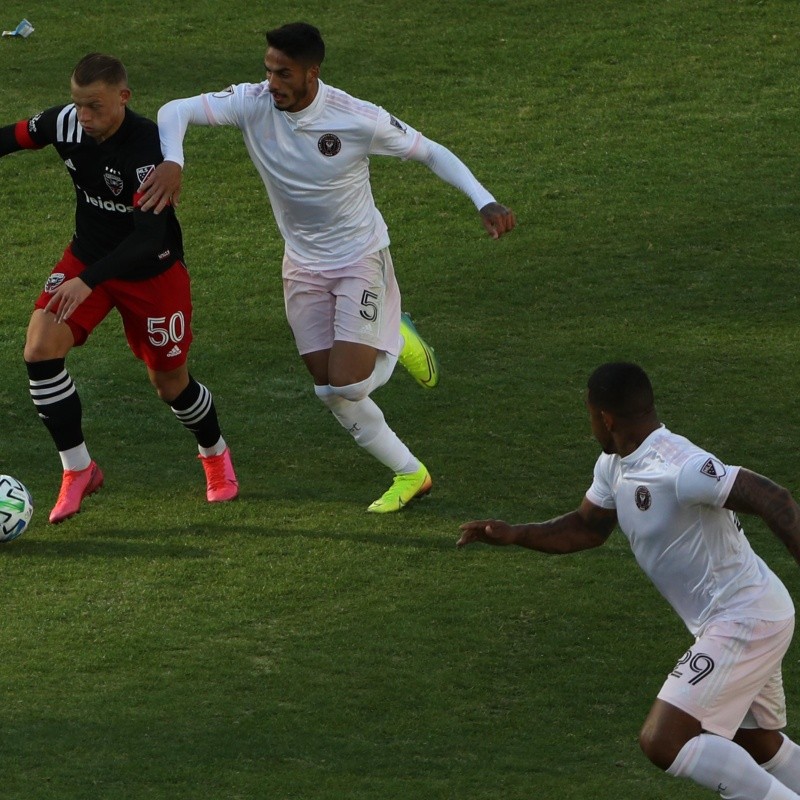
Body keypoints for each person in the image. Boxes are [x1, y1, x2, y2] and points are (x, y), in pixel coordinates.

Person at [138, 21, 516, 513]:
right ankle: (411, 473)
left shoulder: (357, 117)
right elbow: (175, 109)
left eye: (284, 73)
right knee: (330, 391)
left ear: (312, 73)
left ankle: (397, 338)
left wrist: (483, 200)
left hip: (360, 257)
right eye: (269, 69)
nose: (271, 81)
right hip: (302, 265)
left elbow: (429, 151)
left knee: (349, 384)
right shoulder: (253, 101)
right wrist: (174, 161)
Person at [458, 362, 800, 800]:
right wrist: (514, 534)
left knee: (663, 741)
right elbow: (587, 528)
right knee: (756, 744)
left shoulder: (679, 466)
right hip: (752, 613)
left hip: (745, 617)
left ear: (605, 417)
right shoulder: (615, 465)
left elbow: (774, 497)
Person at [0, 53, 239, 523]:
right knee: (40, 349)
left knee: (170, 384)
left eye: (95, 106)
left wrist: (88, 283)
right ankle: (79, 470)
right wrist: (85, 276)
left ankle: (214, 455)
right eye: (78, 105)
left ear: (123, 98)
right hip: (87, 258)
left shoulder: (149, 149)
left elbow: (147, 238)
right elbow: (10, 137)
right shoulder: (65, 124)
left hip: (151, 272)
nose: (83, 117)